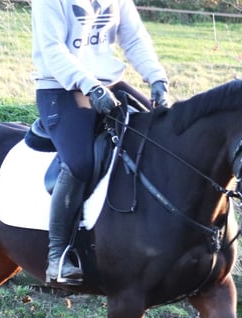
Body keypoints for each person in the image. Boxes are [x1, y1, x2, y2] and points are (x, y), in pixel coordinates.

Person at [31, 0, 170, 284]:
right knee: (80, 162)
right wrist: (90, 85)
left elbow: (133, 37)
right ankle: (57, 256)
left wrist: (157, 79)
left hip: (110, 84)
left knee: (162, 138)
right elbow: (53, 49)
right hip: (62, 88)